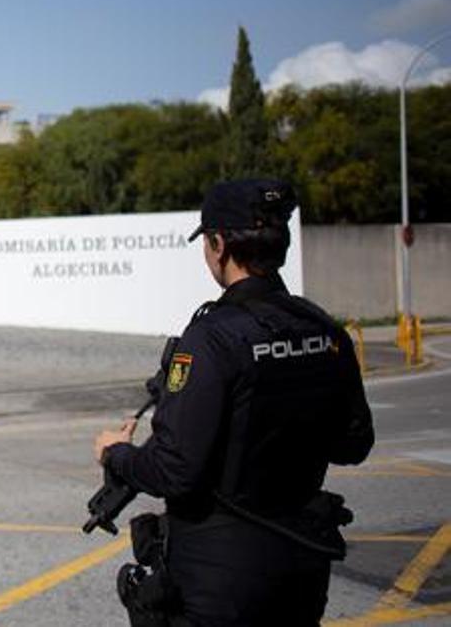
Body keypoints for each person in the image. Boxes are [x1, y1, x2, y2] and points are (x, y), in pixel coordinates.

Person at [93, 179, 373, 626]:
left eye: (207, 242)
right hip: (303, 564)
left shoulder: (210, 339)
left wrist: (116, 453)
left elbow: (174, 471)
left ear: (218, 244)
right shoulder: (325, 330)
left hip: (221, 575)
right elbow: (354, 445)